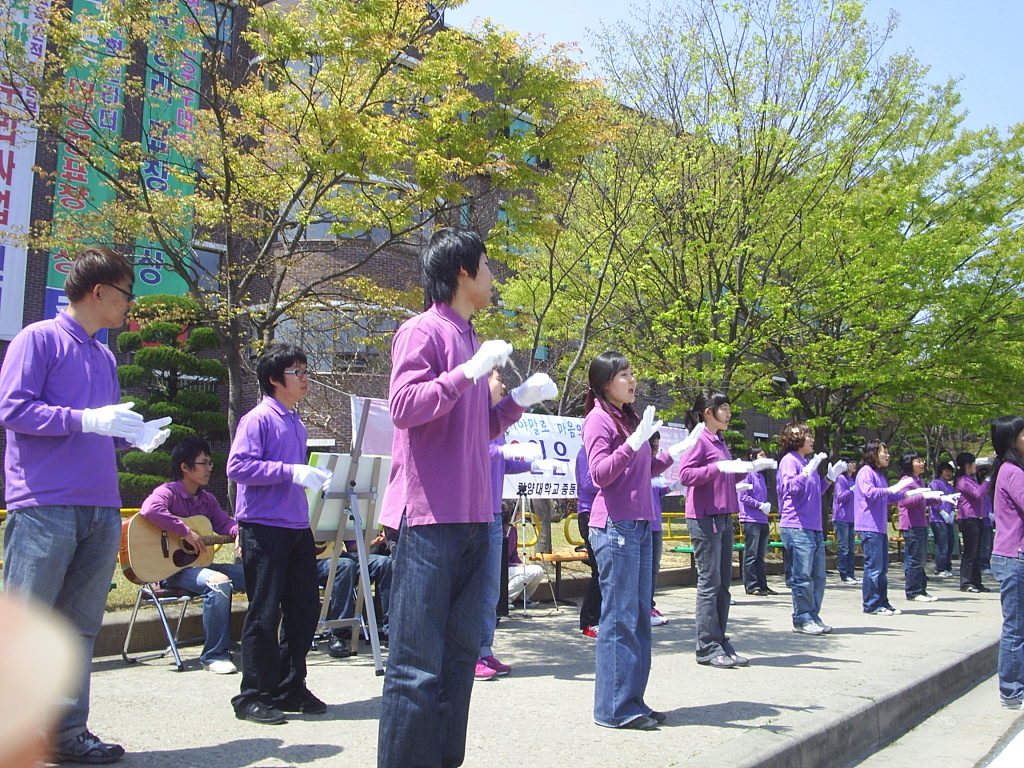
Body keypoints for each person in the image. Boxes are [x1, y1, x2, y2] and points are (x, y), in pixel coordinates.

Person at [376, 227, 557, 768]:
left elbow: (472, 431)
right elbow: (405, 407)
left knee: (458, 660)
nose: (493, 277)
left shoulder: (474, 342)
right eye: (487, 266)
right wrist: (466, 374)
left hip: (477, 518)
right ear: (461, 271)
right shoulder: (422, 330)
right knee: (414, 667)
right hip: (430, 518)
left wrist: (518, 401)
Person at [0, 246, 170, 765]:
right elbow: (13, 408)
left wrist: (130, 436)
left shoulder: (104, 354)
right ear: (98, 292)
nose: (129, 305)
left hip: (100, 505)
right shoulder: (39, 339)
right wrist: (86, 420)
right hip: (44, 502)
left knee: (78, 627)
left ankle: (67, 734)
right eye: (126, 293)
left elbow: (99, 428)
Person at [227, 343, 331, 725]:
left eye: (306, 371)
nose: (305, 378)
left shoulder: (296, 422)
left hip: (295, 527)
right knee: (264, 612)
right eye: (297, 372)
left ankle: (290, 684)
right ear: (274, 379)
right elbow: (237, 467)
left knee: (304, 609)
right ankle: (253, 693)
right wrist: (290, 472)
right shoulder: (257, 419)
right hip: (264, 527)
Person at [583, 351, 675, 730]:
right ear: (605, 382)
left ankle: (633, 700)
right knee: (619, 620)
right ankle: (614, 709)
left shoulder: (631, 418)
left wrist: (672, 454)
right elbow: (600, 474)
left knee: (638, 618)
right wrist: (632, 442)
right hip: (615, 528)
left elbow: (643, 468)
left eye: (632, 373)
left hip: (640, 526)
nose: (632, 380)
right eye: (624, 375)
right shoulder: (598, 420)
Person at [676, 390, 774, 668]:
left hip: (723, 516)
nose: (730, 414)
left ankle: (720, 639)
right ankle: (707, 646)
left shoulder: (719, 440)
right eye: (725, 409)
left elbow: (725, 472)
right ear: (709, 412)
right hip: (705, 518)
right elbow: (686, 475)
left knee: (723, 584)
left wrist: (748, 468)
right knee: (709, 583)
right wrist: (718, 467)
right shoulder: (699, 438)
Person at [478, 367, 561, 680]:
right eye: (498, 378)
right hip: (471, 515)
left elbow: (500, 460)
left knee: (490, 590)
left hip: (493, 515)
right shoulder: (474, 415)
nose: (503, 384)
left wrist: (534, 463)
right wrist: (503, 450)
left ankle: (485, 649)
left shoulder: (498, 423)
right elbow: (475, 451)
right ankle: (469, 653)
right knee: (474, 590)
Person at [139, 436, 245, 673]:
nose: (209, 469)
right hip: (172, 571)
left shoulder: (207, 500)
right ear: (184, 468)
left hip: (200, 567)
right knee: (219, 582)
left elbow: (224, 522)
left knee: (259, 574)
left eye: (210, 463)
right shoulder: (168, 492)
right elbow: (149, 509)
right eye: (203, 463)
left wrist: (237, 532)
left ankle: (259, 640)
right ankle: (213, 656)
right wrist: (184, 532)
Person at [776, 423, 845, 635]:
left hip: (813, 527)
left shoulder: (807, 461)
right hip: (796, 526)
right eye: (807, 435)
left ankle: (813, 615)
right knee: (802, 577)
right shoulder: (789, 460)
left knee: (818, 577)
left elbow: (815, 492)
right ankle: (802, 618)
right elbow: (791, 488)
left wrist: (829, 478)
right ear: (795, 438)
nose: (811, 439)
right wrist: (806, 471)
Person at [987, 415, 1024, 710]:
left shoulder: (1008, 470)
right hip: (1015, 557)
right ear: (1012, 441)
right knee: (1015, 627)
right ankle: (1011, 691)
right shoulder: (1012, 471)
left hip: (1011, 556)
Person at [854, 440, 914, 615]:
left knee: (882, 568)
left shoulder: (879, 474)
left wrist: (904, 495)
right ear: (873, 453)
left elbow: (886, 498)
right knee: (873, 567)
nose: (888, 455)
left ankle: (882, 601)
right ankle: (871, 604)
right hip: (868, 525)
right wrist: (890, 490)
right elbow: (870, 493)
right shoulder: (865, 472)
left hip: (879, 527)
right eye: (883, 452)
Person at [315, 535, 393, 658]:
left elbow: (352, 547)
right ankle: (339, 633)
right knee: (345, 565)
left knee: (385, 563)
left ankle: (392, 631)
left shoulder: (338, 516)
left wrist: (376, 541)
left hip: (342, 558)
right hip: (313, 562)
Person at [895, 451, 943, 603]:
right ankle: (913, 591)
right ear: (909, 464)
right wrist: (922, 495)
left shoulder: (919, 480)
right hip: (911, 524)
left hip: (921, 523)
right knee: (915, 559)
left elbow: (922, 501)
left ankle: (921, 589)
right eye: (917, 461)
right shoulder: (906, 481)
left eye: (922, 460)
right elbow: (903, 502)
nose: (922, 463)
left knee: (921, 558)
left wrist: (939, 499)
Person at [738, 445, 774, 596]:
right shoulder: (747, 473)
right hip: (750, 519)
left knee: (760, 555)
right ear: (752, 457)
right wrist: (760, 505)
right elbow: (743, 496)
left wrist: (766, 506)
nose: (764, 458)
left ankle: (762, 584)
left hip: (762, 519)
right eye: (761, 455)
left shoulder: (761, 476)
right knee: (751, 554)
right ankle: (752, 586)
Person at [955, 452, 991, 593]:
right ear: (967, 465)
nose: (975, 466)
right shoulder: (963, 480)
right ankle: (966, 582)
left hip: (978, 518)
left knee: (977, 552)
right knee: (970, 552)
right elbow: (977, 494)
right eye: (973, 463)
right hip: (968, 518)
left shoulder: (971, 479)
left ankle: (976, 581)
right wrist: (987, 481)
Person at [576, 444, 601, 638]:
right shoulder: (587, 452)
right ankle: (589, 621)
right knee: (599, 571)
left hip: (604, 514)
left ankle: (600, 619)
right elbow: (589, 483)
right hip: (589, 514)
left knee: (605, 572)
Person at [832, 458, 860, 585]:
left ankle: (851, 574)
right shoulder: (841, 479)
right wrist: (852, 490)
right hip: (841, 518)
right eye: (851, 463)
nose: (854, 464)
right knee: (844, 547)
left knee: (851, 547)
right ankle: (844, 574)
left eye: (854, 462)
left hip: (852, 518)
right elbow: (840, 497)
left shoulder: (853, 480)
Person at [928, 460, 957, 578]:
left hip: (949, 519)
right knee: (942, 544)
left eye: (950, 471)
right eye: (946, 471)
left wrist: (952, 512)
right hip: (937, 519)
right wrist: (942, 511)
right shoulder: (935, 484)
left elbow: (954, 501)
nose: (948, 473)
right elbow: (932, 500)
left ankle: (947, 567)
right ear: (941, 472)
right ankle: (939, 568)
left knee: (950, 543)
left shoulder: (950, 487)